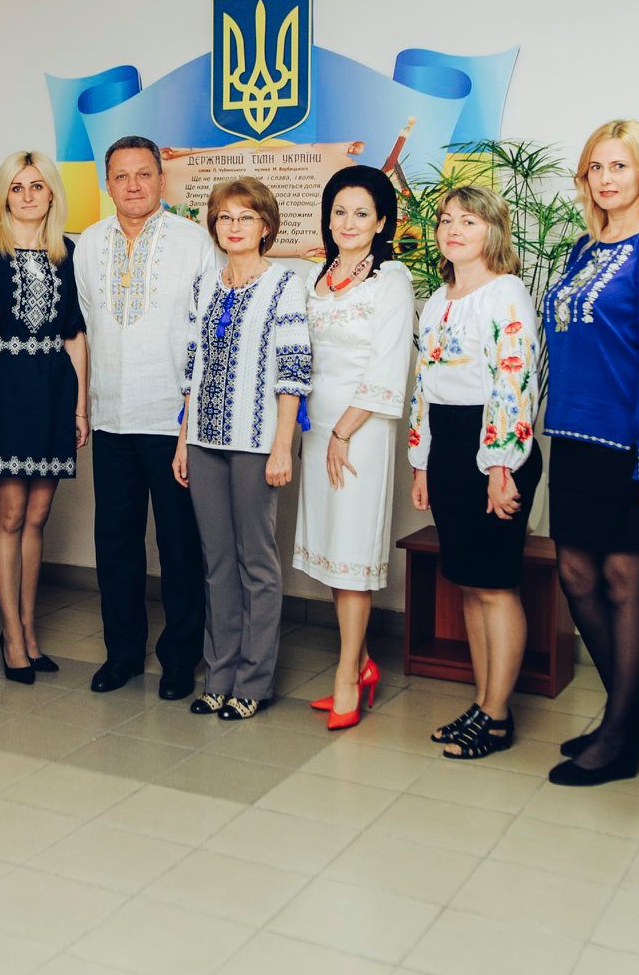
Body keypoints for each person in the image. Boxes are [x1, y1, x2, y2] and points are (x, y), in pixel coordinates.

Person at [540, 119, 639, 787]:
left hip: (631, 443)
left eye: (619, 166)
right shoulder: (582, 247)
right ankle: (627, 718)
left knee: (625, 582)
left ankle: (619, 735)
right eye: (595, 168)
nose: (605, 179)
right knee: (576, 577)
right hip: (573, 438)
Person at [72, 136, 218, 699]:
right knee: (115, 544)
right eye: (121, 176)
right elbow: (86, 329)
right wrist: (84, 407)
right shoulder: (89, 244)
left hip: (172, 420)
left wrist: (191, 420)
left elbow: (209, 334)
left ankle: (180, 658)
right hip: (111, 417)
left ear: (161, 179)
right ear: (107, 184)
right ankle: (123, 654)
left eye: (143, 174)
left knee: (179, 546)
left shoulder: (194, 242)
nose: (132, 185)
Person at [409, 185, 542, 759]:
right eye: (446, 220)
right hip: (447, 445)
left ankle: (498, 715)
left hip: (494, 448)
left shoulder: (505, 293)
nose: (454, 230)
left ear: (493, 230)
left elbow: (513, 382)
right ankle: (482, 700)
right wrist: (421, 462)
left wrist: (500, 465)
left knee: (495, 585)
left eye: (469, 220)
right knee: (467, 582)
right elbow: (425, 385)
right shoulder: (438, 299)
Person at [174, 177, 312, 721]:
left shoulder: (284, 285)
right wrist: (183, 440)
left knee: (257, 562)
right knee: (216, 562)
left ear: (266, 226)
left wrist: (282, 446)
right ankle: (219, 675)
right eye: (225, 217)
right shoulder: (204, 285)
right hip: (204, 441)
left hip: (256, 444)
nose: (234, 226)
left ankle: (253, 681)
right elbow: (192, 367)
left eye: (246, 217)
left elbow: (293, 370)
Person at [292, 165, 412, 731]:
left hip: (360, 429)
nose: (348, 222)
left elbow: (388, 366)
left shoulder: (391, 280)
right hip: (318, 427)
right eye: (339, 211)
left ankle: (346, 679)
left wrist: (343, 431)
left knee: (353, 555)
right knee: (334, 552)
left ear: (382, 221)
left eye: (362, 213)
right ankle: (361, 663)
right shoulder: (316, 275)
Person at [0, 152, 87, 684]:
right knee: (10, 514)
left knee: (38, 515)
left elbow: (75, 333)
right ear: (4, 195)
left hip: (55, 389)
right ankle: (10, 634)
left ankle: (30, 631)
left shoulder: (67, 251)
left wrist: (81, 407)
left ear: (52, 193)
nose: (28, 195)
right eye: (17, 187)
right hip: (3, 389)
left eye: (37, 186)